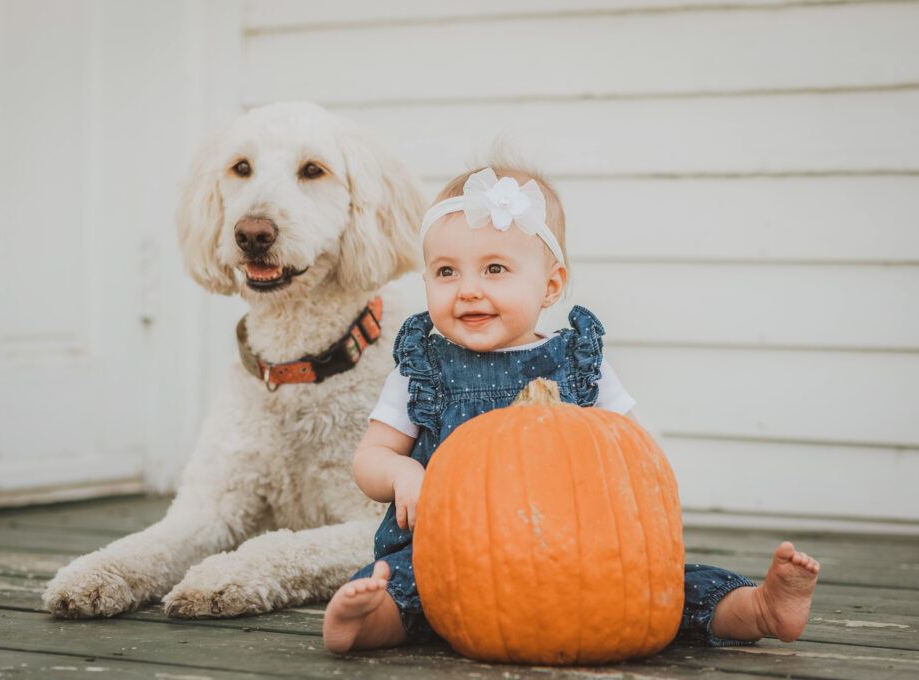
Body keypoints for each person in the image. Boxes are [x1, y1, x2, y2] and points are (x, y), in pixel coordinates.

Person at [322, 164, 820, 654]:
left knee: (663, 587)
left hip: (577, 551)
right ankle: (363, 622)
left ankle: (754, 608)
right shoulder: (421, 368)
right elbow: (369, 460)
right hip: (451, 556)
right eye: (446, 271)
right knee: (403, 587)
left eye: (494, 268)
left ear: (552, 285)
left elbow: (637, 456)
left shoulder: (580, 364)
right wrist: (402, 473)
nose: (468, 288)